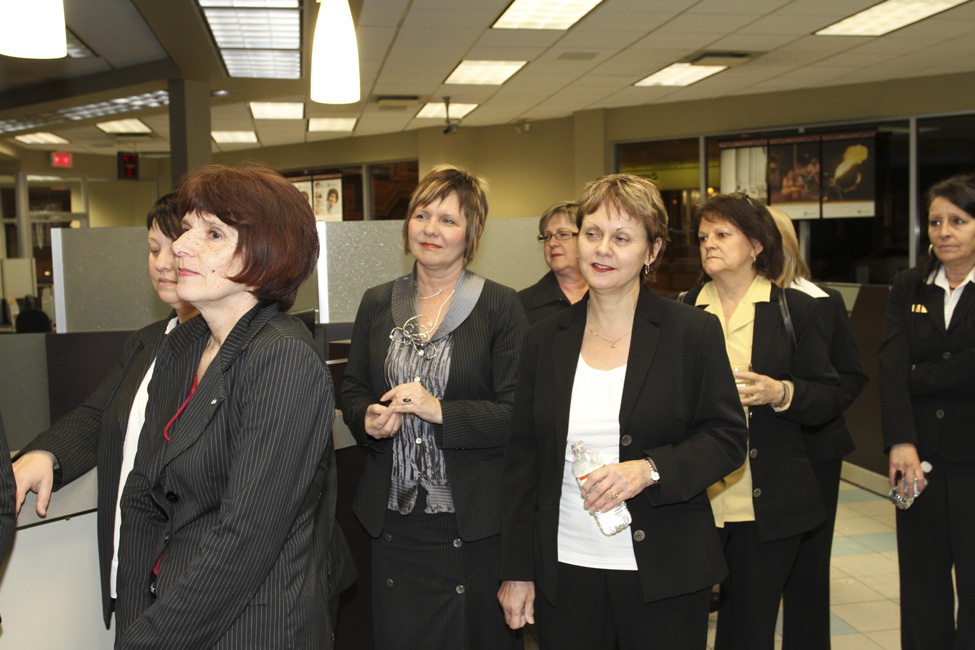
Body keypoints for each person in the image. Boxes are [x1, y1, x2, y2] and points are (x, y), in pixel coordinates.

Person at [499, 173, 748, 649]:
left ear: (652, 251)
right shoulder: (543, 341)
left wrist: (649, 470)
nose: (602, 250)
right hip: (566, 571)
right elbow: (522, 464)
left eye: (621, 238)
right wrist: (517, 571)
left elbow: (727, 439)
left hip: (665, 574)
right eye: (591, 234)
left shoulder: (692, 333)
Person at [114, 165, 339, 649]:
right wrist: (133, 625)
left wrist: (149, 642)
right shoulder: (183, 347)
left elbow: (244, 538)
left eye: (212, 233)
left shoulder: (282, 360)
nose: (180, 246)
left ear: (266, 254)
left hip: (252, 625)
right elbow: (140, 499)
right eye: (187, 227)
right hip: (171, 614)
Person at [340, 164, 527, 649]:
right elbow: (353, 388)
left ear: (473, 233)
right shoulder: (378, 302)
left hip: (473, 522)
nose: (431, 229)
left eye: (448, 220)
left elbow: (517, 415)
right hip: (395, 520)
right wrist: (368, 419)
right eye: (422, 215)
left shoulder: (500, 307)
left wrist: (439, 409)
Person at [11, 193, 198, 627]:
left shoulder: (228, 349)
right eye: (154, 250)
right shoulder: (149, 340)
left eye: (177, 248)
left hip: (189, 590)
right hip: (136, 580)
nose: (164, 263)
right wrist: (45, 455)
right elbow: (99, 415)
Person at [682, 194, 842, 650]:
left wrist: (782, 392)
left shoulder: (794, 309)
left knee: (748, 628)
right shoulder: (682, 310)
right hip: (696, 499)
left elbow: (830, 393)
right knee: (686, 622)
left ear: (755, 245)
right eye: (703, 237)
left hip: (766, 498)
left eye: (722, 234)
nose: (709, 244)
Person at [879, 173, 975, 650]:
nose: (944, 231)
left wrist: (920, 375)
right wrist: (901, 441)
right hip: (916, 461)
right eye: (936, 221)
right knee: (921, 583)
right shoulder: (909, 285)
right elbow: (891, 365)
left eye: (958, 220)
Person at [769, 207, 868, 650]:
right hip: (748, 456)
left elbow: (849, 377)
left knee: (808, 573)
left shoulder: (822, 301)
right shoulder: (712, 302)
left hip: (813, 454)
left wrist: (807, 405)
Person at [518, 201, 588, 326]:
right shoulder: (521, 304)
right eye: (547, 236)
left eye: (562, 234)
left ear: (586, 239)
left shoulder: (609, 295)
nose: (552, 243)